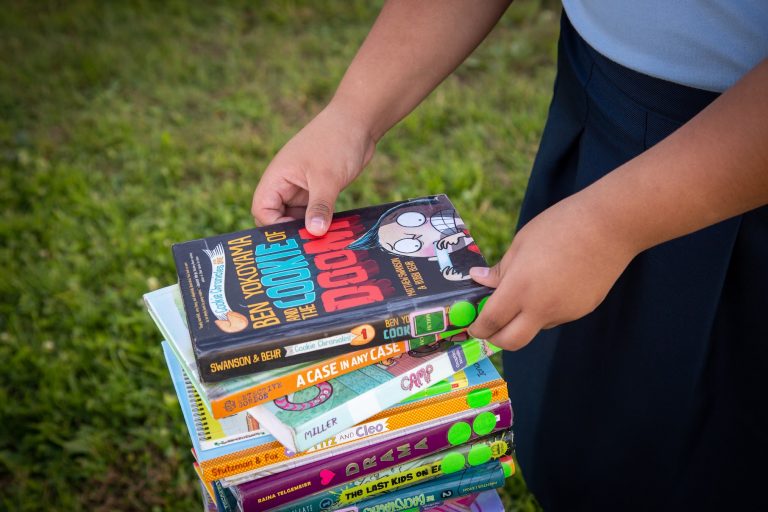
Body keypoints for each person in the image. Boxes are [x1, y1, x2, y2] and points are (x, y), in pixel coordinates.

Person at [251, 1, 768, 509]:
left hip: (742, 158)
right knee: (574, 429)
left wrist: (610, 225)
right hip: (602, 99)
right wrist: (352, 116)